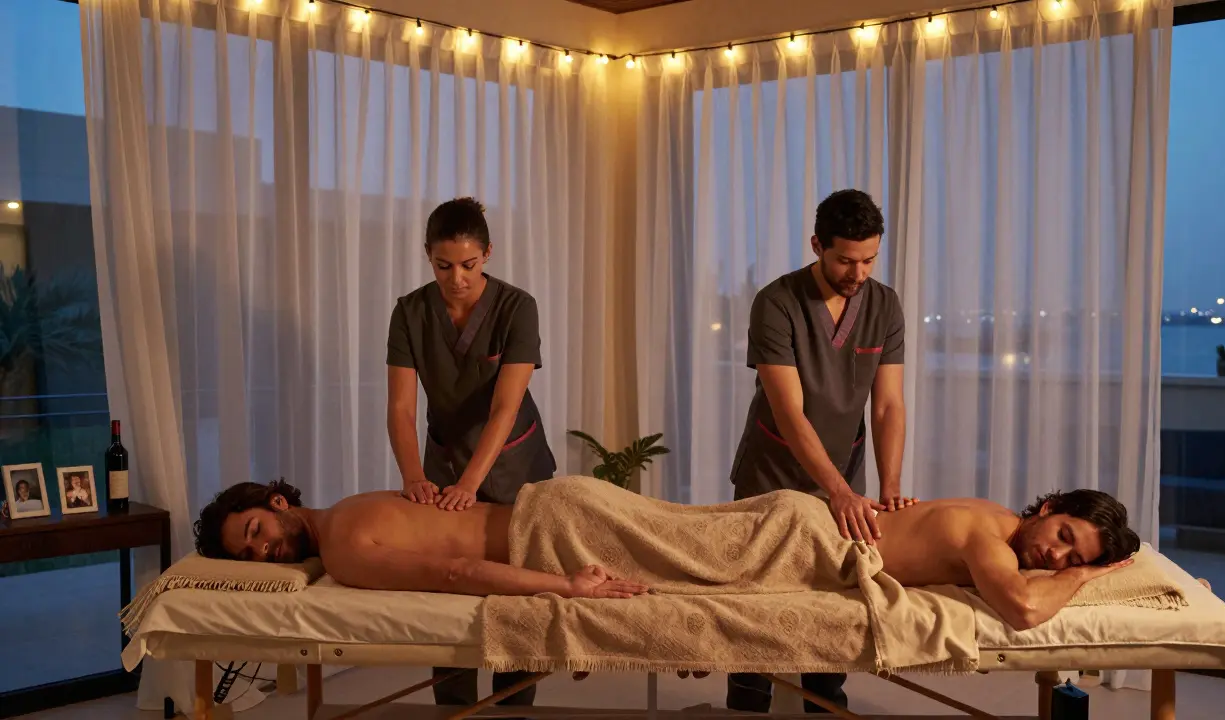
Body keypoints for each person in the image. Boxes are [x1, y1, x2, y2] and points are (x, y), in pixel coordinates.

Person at [193, 478, 1140, 632]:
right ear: (1046, 507)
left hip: (550, 526)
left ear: (275, 504)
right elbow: (452, 566)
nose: (271, 550)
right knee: (695, 543)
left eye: (259, 533)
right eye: (258, 550)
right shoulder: (352, 514)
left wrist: (562, 578)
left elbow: (456, 567)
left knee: (696, 548)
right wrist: (563, 586)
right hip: (553, 518)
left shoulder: (349, 537)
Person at [726, 189, 910, 712]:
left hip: (845, 477)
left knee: (831, 602)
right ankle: (746, 699)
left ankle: (824, 702)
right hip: (772, 470)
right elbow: (789, 411)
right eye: (845, 260)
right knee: (755, 606)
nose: (858, 273)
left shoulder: (885, 304)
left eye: (869, 259)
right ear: (817, 246)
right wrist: (839, 490)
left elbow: (888, 406)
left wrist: (887, 487)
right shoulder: (777, 302)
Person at [384, 197, 556, 707]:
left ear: (488, 254)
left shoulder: (516, 307)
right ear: (427, 256)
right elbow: (400, 409)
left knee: (517, 591)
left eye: (468, 264)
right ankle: (454, 709)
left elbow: (505, 408)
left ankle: (512, 708)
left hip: (515, 462)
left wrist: (470, 484)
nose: (456, 278)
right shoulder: (410, 312)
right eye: (443, 265)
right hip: (444, 461)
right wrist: (415, 476)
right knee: (448, 586)